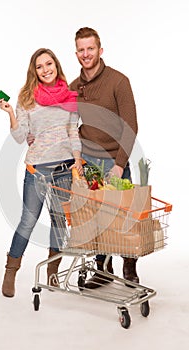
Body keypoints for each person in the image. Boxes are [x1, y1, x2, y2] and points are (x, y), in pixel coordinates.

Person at [0, 48, 83, 297]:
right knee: (28, 221)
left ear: (56, 65)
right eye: (39, 66)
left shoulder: (69, 96)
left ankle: (52, 272)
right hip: (37, 170)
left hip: (65, 168)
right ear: (33, 71)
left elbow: (73, 132)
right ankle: (11, 270)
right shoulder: (27, 98)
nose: (45, 69)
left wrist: (77, 159)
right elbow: (19, 137)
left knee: (59, 223)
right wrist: (12, 114)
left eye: (49, 64)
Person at [69, 27, 139, 289]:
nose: (86, 54)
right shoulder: (74, 87)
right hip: (87, 162)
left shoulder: (119, 81)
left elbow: (130, 126)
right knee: (96, 221)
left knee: (124, 219)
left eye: (90, 48)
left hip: (114, 160)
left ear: (100, 50)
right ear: (76, 53)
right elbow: (62, 122)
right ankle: (102, 270)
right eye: (81, 50)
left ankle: (130, 270)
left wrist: (120, 165)